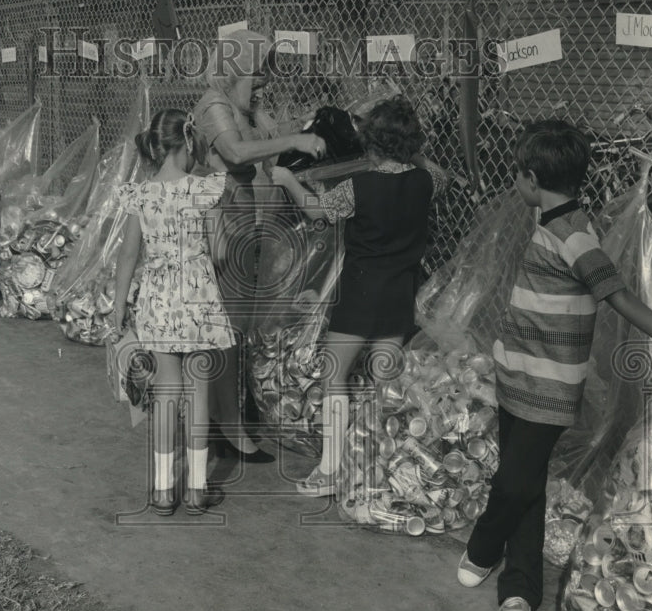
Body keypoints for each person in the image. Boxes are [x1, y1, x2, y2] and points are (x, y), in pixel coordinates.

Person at [454, 119, 652, 611]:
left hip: (549, 389)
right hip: (516, 378)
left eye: (517, 176)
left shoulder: (575, 234)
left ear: (532, 179)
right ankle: (519, 589)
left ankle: (482, 545)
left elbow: (617, 293)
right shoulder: (554, 220)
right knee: (528, 483)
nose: (514, 184)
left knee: (515, 483)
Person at [270, 95, 449, 496]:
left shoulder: (358, 186)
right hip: (401, 294)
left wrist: (288, 181)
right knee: (384, 382)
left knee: (335, 376)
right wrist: (413, 155)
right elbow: (442, 174)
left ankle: (330, 470)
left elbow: (317, 212)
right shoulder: (426, 182)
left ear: (371, 142)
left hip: (360, 293)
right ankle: (377, 466)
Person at [193, 29, 326, 463]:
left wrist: (303, 127)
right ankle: (226, 428)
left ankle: (225, 414)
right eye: (260, 69)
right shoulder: (214, 104)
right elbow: (234, 152)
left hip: (251, 230)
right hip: (226, 229)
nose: (267, 78)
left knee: (239, 329)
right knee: (225, 332)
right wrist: (293, 141)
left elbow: (273, 139)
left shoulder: (244, 105)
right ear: (235, 69)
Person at [112, 109, 237, 515]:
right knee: (198, 392)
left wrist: (118, 309)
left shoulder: (141, 193)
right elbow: (220, 253)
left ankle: (164, 490)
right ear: (189, 143)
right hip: (199, 301)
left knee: (165, 394)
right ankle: (198, 489)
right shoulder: (206, 189)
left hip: (157, 301)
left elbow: (128, 255)